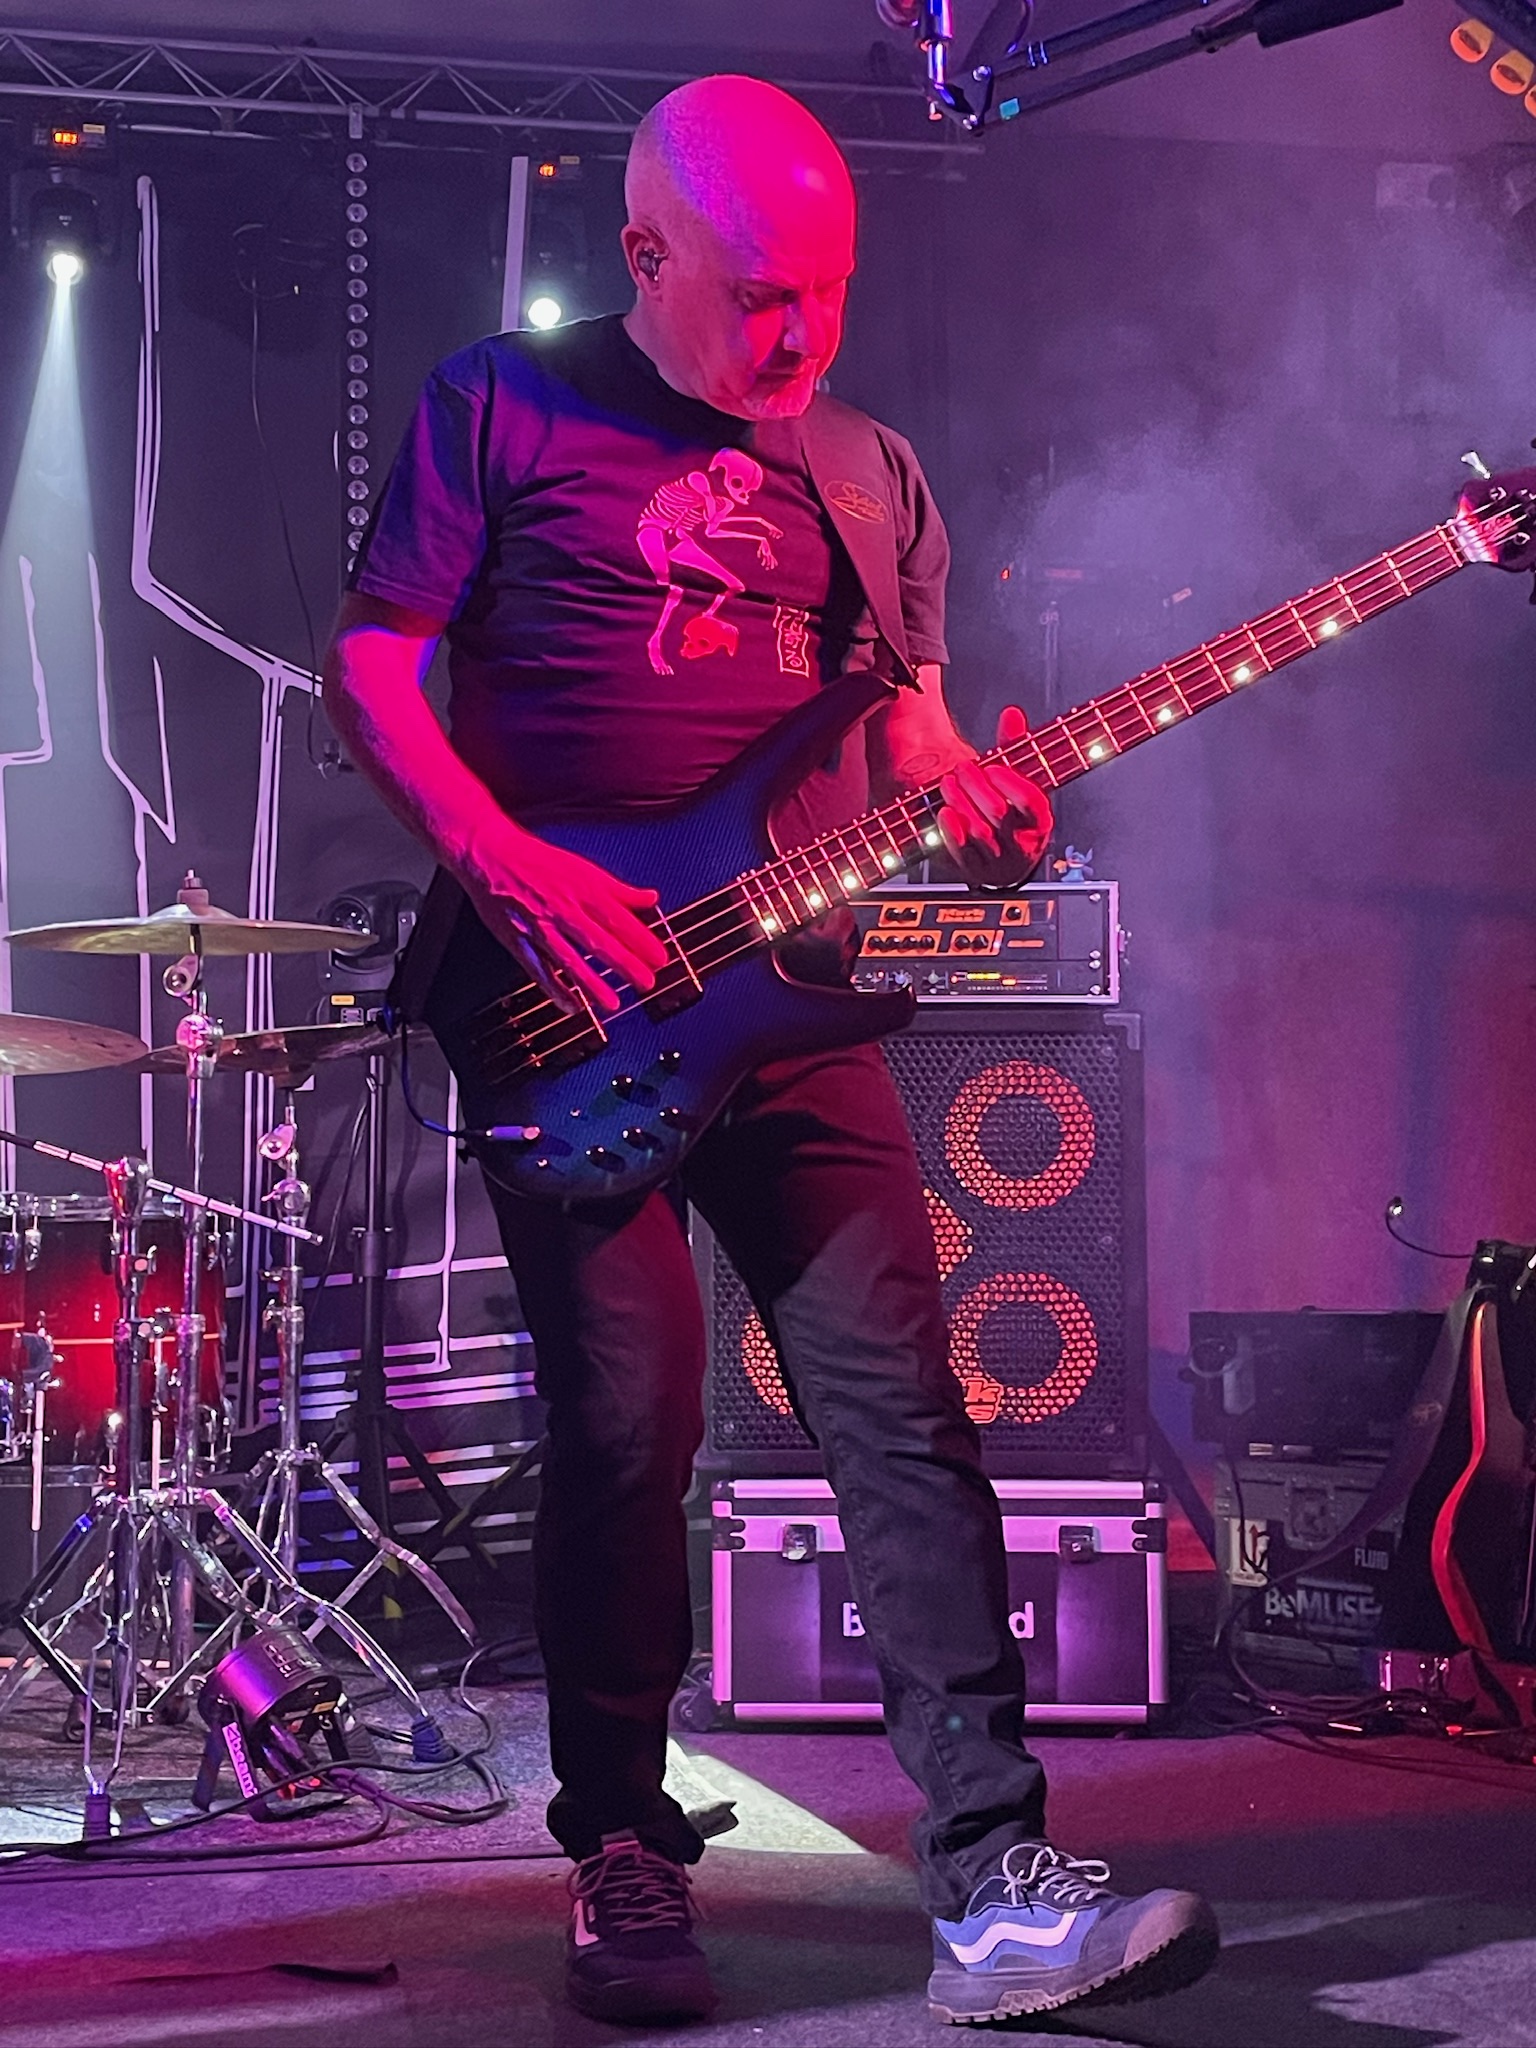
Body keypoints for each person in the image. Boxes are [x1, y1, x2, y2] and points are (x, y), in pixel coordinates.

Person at [323, 73, 1218, 2029]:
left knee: (908, 1420)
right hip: (565, 1000)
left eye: (829, 292)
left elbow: (911, 733)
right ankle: (623, 1845)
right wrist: (506, 858)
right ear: (647, 255)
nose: (802, 337)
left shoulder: (869, 466)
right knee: (631, 1434)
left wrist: (990, 806)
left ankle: (994, 1879)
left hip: (799, 999)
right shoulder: (505, 405)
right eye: (761, 298)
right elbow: (376, 658)